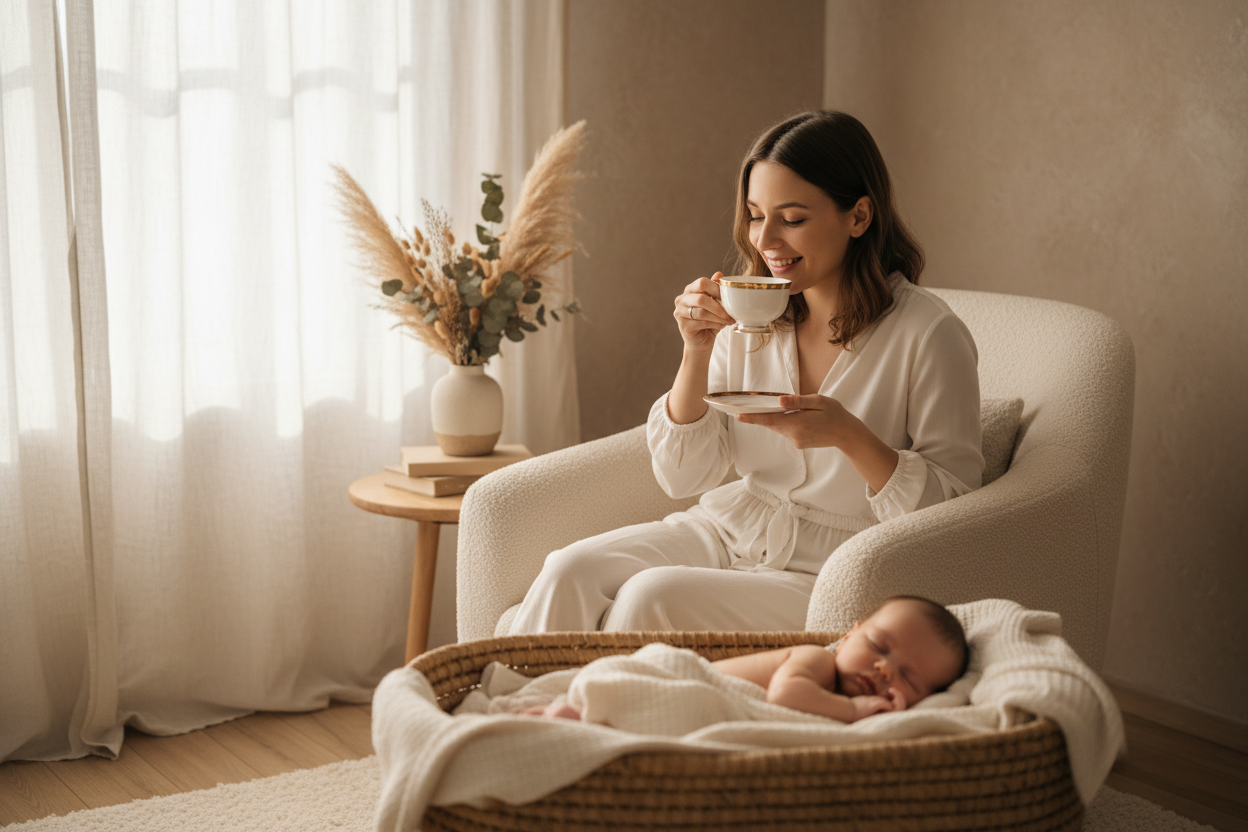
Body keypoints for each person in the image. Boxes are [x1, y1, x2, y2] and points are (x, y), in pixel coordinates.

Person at [509, 110, 983, 635]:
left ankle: (584, 710)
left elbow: (955, 520)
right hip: (729, 527)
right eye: (757, 216)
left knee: (650, 598)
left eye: (793, 218)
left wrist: (849, 436)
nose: (766, 240)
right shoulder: (752, 310)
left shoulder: (929, 334)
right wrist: (696, 349)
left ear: (859, 216)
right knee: (567, 571)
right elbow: (682, 478)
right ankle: (509, 708)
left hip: (834, 568)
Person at [527, 596, 969, 724]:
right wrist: (853, 710)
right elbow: (784, 695)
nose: (885, 669)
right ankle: (575, 713)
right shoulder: (816, 661)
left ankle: (575, 718)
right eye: (877, 645)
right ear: (849, 633)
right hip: (671, 678)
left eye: (909, 677)